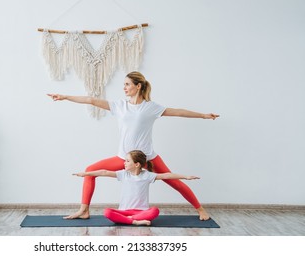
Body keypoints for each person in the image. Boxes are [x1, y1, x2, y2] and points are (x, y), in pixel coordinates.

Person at [47, 71, 219, 220]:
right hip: (124, 158)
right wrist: (65, 96)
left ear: (138, 86)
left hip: (148, 158)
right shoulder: (119, 106)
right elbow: (90, 100)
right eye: (124, 84)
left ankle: (200, 209)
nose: (124, 87)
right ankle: (84, 210)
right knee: (90, 171)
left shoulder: (151, 108)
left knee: (175, 182)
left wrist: (203, 115)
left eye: (127, 84)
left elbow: (178, 112)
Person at [73, 150, 200, 226]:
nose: (124, 163)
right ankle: (135, 222)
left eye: (127, 161)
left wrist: (186, 176)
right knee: (107, 212)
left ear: (137, 164)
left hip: (141, 212)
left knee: (155, 211)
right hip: (124, 211)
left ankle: (128, 221)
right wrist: (86, 174)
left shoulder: (147, 175)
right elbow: (104, 172)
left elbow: (167, 175)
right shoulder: (123, 174)